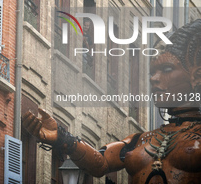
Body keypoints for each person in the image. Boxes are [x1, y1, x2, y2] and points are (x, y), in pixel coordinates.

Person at [22, 19, 201, 184]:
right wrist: (61, 137)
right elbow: (100, 163)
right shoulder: (139, 141)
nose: (154, 79)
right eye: (152, 72)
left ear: (196, 76)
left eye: (167, 69)